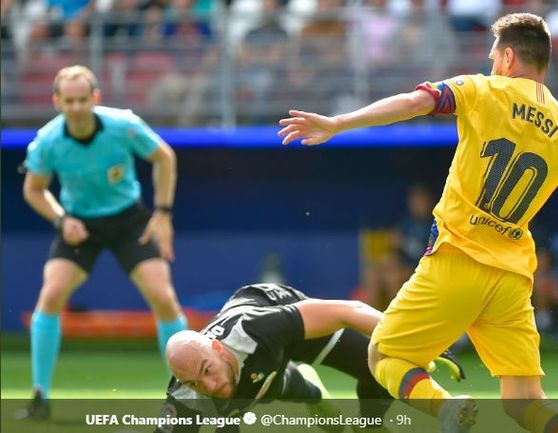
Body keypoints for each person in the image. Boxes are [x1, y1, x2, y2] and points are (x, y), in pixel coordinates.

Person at [278, 12, 558, 433]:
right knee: (525, 402)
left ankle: (445, 408)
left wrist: (339, 123)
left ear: (508, 57)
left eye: (495, 56)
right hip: (511, 278)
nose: (492, 64)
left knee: (385, 357)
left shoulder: (482, 89)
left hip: (456, 259)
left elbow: (414, 103)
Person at [21, 65, 188, 419]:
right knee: (50, 296)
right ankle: (39, 398)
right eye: (69, 101)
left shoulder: (122, 125)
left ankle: (186, 392)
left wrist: (162, 213)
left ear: (95, 98)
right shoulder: (48, 141)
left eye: (83, 100)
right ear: (57, 102)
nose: (77, 108)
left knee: (163, 298)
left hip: (129, 220)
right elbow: (33, 190)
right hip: (79, 224)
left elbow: (164, 156)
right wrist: (61, 220)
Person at [156, 283, 464, 433]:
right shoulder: (186, 397)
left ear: (219, 349)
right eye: (195, 382)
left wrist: (415, 340)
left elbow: (349, 311)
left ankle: (369, 426)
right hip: (262, 365)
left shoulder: (258, 329)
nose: (209, 384)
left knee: (380, 360)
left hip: (283, 319)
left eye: (207, 369)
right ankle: (304, 384)